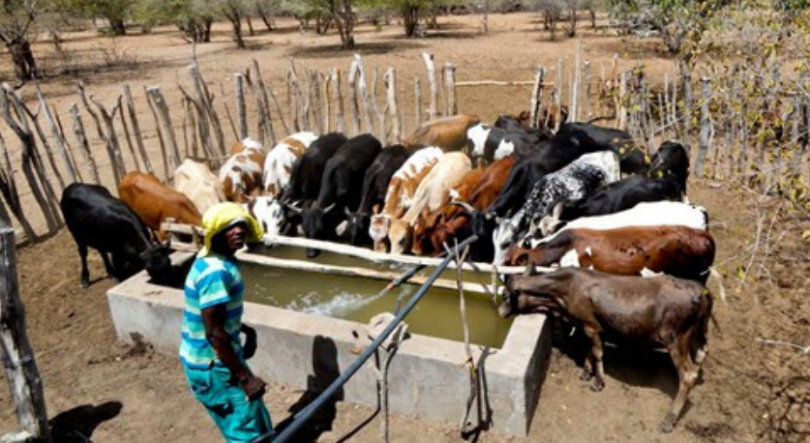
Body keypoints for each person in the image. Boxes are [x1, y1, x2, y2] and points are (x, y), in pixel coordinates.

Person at [179, 202, 272, 442]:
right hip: (215, 365)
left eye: (241, 226)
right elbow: (214, 333)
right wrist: (245, 377)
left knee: (253, 419)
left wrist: (245, 331)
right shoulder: (216, 273)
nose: (238, 231)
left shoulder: (214, 261)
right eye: (230, 228)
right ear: (215, 234)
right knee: (246, 430)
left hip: (213, 358)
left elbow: (215, 318)